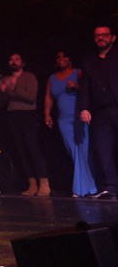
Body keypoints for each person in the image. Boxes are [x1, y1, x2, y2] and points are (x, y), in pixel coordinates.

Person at [44, 50, 96, 197]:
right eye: (58, 57)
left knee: (82, 150)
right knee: (73, 151)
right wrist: (46, 114)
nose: (61, 59)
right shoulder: (52, 78)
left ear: (70, 59)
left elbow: (89, 89)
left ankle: (80, 189)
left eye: (64, 56)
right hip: (63, 120)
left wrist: (76, 87)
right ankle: (90, 187)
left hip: (79, 115)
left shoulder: (78, 72)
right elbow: (48, 97)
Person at [0, 53, 50, 196]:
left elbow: (31, 97)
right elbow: (2, 102)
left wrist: (13, 89)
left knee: (32, 147)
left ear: (22, 62)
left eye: (17, 59)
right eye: (11, 59)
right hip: (12, 116)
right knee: (21, 150)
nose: (13, 62)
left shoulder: (29, 76)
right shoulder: (5, 79)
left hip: (27, 115)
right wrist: (3, 91)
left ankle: (44, 183)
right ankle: (32, 183)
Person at [78, 23, 118, 199]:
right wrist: (84, 107)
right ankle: (111, 187)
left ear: (113, 38)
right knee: (102, 149)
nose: (100, 37)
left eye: (104, 34)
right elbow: (85, 86)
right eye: (97, 35)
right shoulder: (89, 60)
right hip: (100, 111)